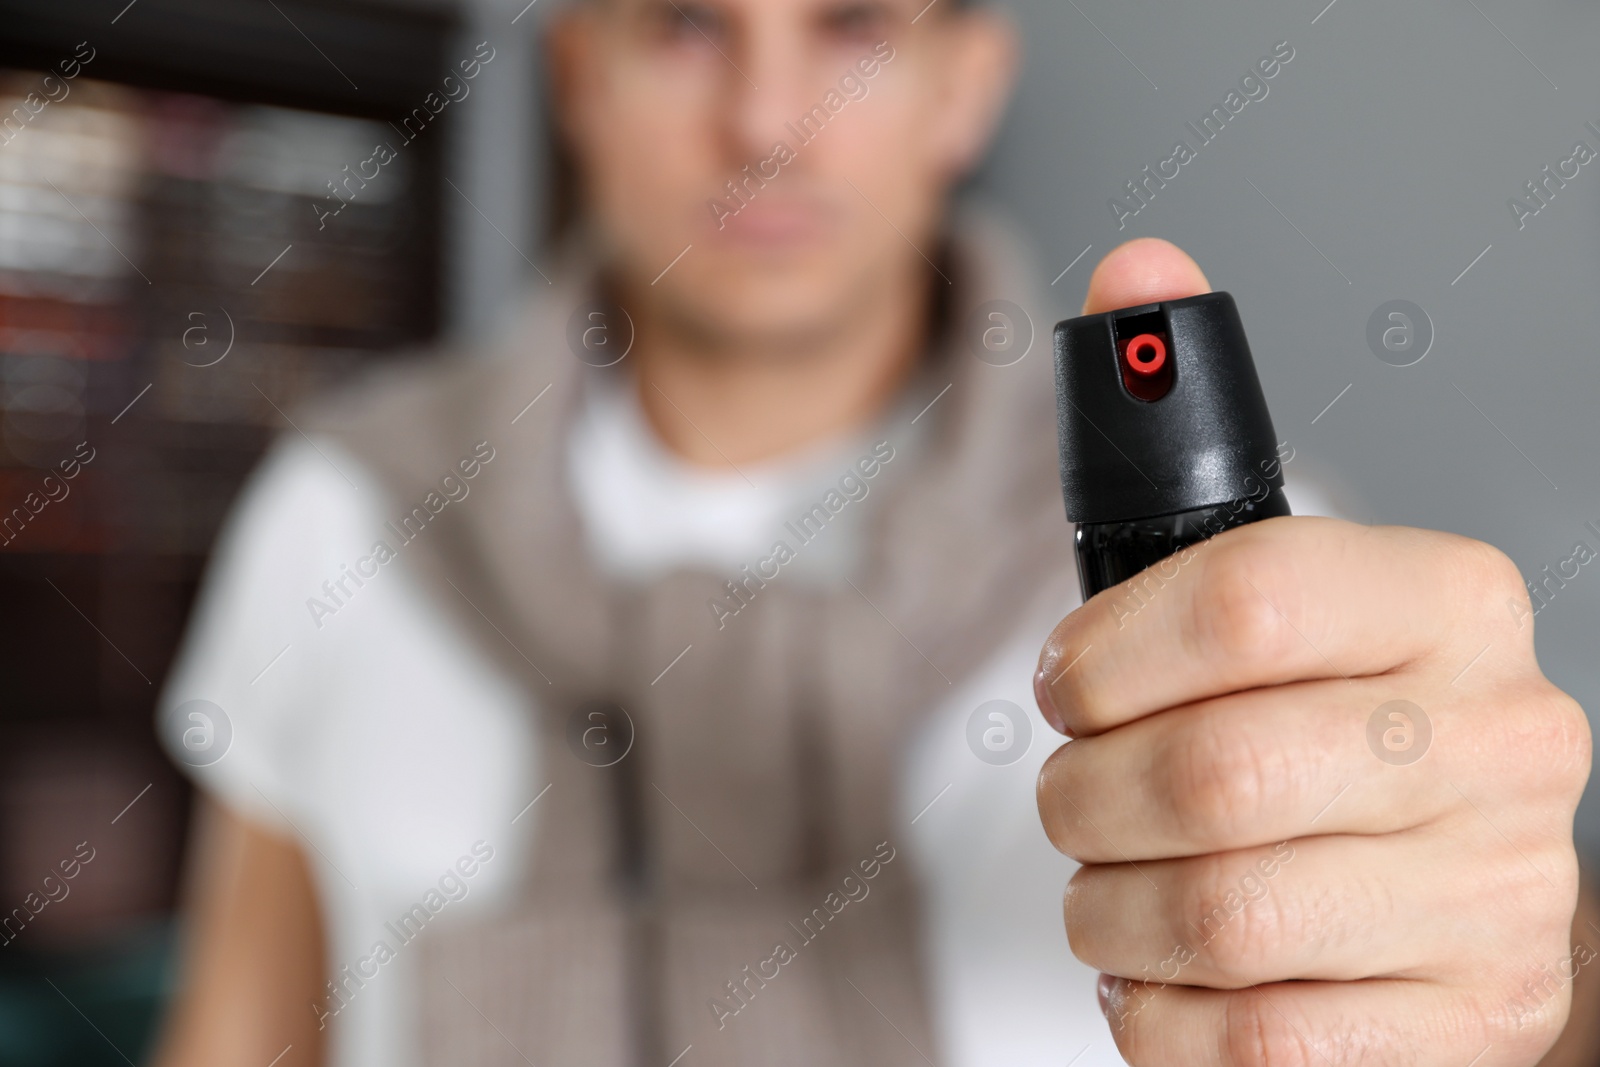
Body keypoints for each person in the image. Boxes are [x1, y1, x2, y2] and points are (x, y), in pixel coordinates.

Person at [151, 0, 1598, 1064]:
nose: (766, 125)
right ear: (580, 76)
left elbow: (1478, 986)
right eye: (685, 31)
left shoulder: (1236, 594)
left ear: (965, 88)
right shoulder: (331, 519)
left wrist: (1542, 984)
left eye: (850, 28)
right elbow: (241, 1036)